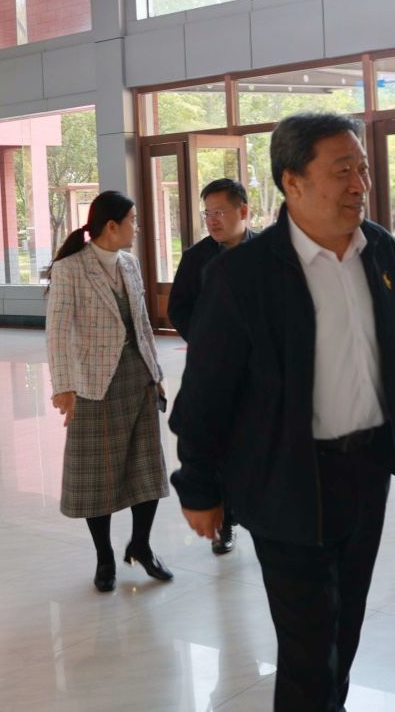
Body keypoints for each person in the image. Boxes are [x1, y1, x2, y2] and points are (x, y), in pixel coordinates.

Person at [169, 112, 395, 711]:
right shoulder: (242, 275)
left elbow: (394, 361)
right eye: (342, 171)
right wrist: (198, 485)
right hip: (286, 477)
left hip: (367, 473)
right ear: (293, 181)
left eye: (362, 169)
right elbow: (205, 391)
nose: (359, 184)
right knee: (308, 647)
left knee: (345, 629)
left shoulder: (381, 252)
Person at [45, 190, 172, 593]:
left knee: (146, 468)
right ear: (111, 226)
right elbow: (57, 332)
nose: (137, 228)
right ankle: (104, 557)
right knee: (95, 476)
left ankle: (141, 545)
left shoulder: (129, 263)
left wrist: (156, 371)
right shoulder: (70, 269)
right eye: (132, 221)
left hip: (138, 378)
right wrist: (64, 387)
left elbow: (142, 324)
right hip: (94, 384)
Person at [167, 177, 256, 555]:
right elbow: (177, 307)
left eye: (220, 212)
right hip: (215, 370)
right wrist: (206, 341)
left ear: (243, 211)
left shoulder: (265, 254)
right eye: (207, 214)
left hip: (258, 372)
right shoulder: (197, 257)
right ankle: (227, 521)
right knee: (218, 443)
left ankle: (254, 509)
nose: (213, 220)